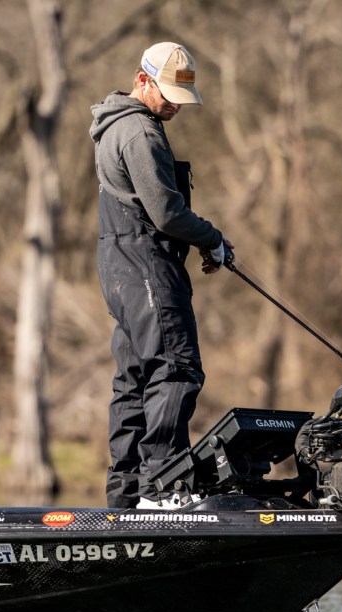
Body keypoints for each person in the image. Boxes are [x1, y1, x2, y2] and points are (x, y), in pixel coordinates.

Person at [89, 42, 233, 510]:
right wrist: (212, 238)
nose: (175, 105)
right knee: (175, 368)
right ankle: (162, 488)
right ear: (142, 79)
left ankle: (127, 494)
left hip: (120, 268)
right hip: (148, 267)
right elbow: (168, 214)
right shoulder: (140, 133)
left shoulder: (113, 126)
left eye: (180, 97)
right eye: (168, 94)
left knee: (133, 379)